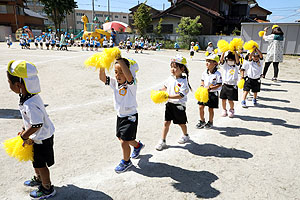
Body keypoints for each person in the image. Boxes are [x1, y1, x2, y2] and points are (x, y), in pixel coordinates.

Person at [6, 60, 56, 199]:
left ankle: (47, 188)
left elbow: (36, 124)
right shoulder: (27, 97)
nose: (9, 85)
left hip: (42, 137)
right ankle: (38, 178)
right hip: (37, 136)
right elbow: (30, 121)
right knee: (35, 161)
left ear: (18, 84)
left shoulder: (30, 103)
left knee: (41, 164)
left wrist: (24, 136)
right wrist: (24, 129)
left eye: (9, 82)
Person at [98, 57, 144, 173]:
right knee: (122, 138)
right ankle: (137, 146)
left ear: (129, 72)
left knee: (124, 141)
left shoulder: (132, 84)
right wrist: (102, 65)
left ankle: (126, 161)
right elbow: (102, 78)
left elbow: (129, 77)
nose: (118, 75)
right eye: (116, 72)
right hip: (120, 115)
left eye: (121, 72)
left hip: (130, 116)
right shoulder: (115, 83)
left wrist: (120, 60)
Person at [155, 55, 192, 151]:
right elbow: (165, 87)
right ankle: (162, 141)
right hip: (169, 104)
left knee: (181, 123)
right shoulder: (170, 78)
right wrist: (159, 92)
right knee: (166, 123)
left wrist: (168, 96)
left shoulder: (184, 82)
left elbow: (181, 95)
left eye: (175, 67)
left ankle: (186, 135)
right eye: (171, 67)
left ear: (182, 68)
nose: (173, 69)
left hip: (179, 105)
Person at [196, 54, 222, 129]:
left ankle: (210, 122)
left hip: (213, 93)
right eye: (206, 61)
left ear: (215, 63)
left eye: (209, 61)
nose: (207, 63)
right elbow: (202, 80)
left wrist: (210, 88)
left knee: (210, 108)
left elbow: (219, 84)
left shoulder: (218, 74)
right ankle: (202, 121)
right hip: (204, 92)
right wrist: (202, 86)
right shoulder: (204, 72)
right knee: (201, 107)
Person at [219, 51, 240, 118]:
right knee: (223, 99)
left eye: (232, 60)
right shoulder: (225, 65)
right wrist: (223, 52)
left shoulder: (236, 66)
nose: (230, 61)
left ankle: (231, 109)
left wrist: (235, 52)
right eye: (229, 60)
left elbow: (237, 61)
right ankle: (224, 110)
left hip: (232, 85)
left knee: (230, 100)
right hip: (225, 84)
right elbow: (221, 60)